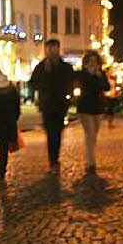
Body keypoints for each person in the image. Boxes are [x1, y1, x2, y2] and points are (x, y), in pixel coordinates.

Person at [29, 39, 76, 171]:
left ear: (58, 49)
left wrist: (69, 95)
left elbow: (70, 81)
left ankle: (55, 157)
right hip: (47, 105)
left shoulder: (65, 66)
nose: (52, 51)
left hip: (60, 104)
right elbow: (33, 83)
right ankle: (53, 160)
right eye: (49, 48)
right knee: (50, 133)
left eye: (54, 48)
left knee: (58, 132)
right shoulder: (41, 67)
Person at [76, 51, 111, 173]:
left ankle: (90, 158)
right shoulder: (83, 74)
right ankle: (90, 162)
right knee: (89, 133)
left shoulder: (101, 74)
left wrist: (99, 76)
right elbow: (83, 86)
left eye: (95, 61)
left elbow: (107, 87)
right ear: (86, 62)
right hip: (85, 108)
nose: (93, 63)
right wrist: (92, 76)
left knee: (94, 135)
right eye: (90, 61)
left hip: (98, 107)